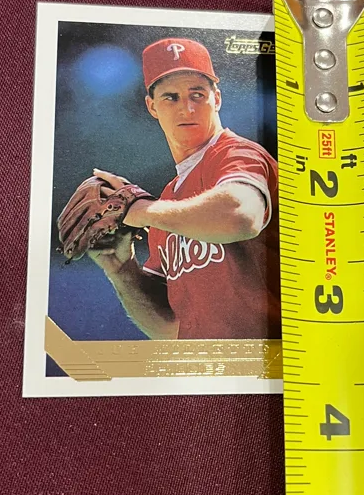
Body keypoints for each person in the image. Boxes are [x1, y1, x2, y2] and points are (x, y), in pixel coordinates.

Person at [80, 38, 280, 340]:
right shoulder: (168, 202)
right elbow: (171, 329)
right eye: (171, 97)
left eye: (197, 94)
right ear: (152, 107)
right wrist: (122, 271)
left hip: (268, 358)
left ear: (217, 98)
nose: (186, 108)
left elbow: (241, 216)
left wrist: (142, 211)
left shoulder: (238, 155)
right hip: (208, 365)